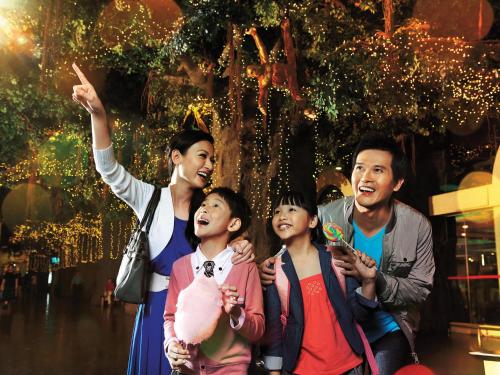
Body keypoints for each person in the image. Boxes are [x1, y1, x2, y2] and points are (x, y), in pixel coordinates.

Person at [71, 64, 255, 375]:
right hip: (157, 312)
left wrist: (240, 246)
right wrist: (98, 114)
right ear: (176, 157)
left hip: (202, 318)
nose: (210, 165)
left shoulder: (207, 212)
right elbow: (108, 169)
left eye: (213, 159)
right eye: (203, 156)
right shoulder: (149, 198)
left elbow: (222, 253)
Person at [260, 133, 435, 374]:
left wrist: (373, 279)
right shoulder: (326, 216)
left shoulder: (416, 226)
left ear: (397, 183)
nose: (365, 177)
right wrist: (271, 265)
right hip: (339, 329)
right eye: (360, 168)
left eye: (377, 170)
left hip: (388, 326)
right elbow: (295, 242)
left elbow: (420, 289)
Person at [263, 191, 378, 375]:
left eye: (291, 209)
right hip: (301, 370)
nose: (282, 216)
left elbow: (360, 314)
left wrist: (369, 281)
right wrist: (274, 371)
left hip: (348, 366)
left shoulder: (336, 258)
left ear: (312, 221)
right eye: (277, 212)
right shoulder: (273, 271)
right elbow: (274, 330)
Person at [164, 187, 264, 374]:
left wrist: (236, 313)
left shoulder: (245, 267)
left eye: (215, 205)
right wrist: (171, 344)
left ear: (233, 224)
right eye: (203, 205)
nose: (203, 209)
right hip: (187, 370)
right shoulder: (180, 267)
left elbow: (258, 329)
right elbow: (170, 317)